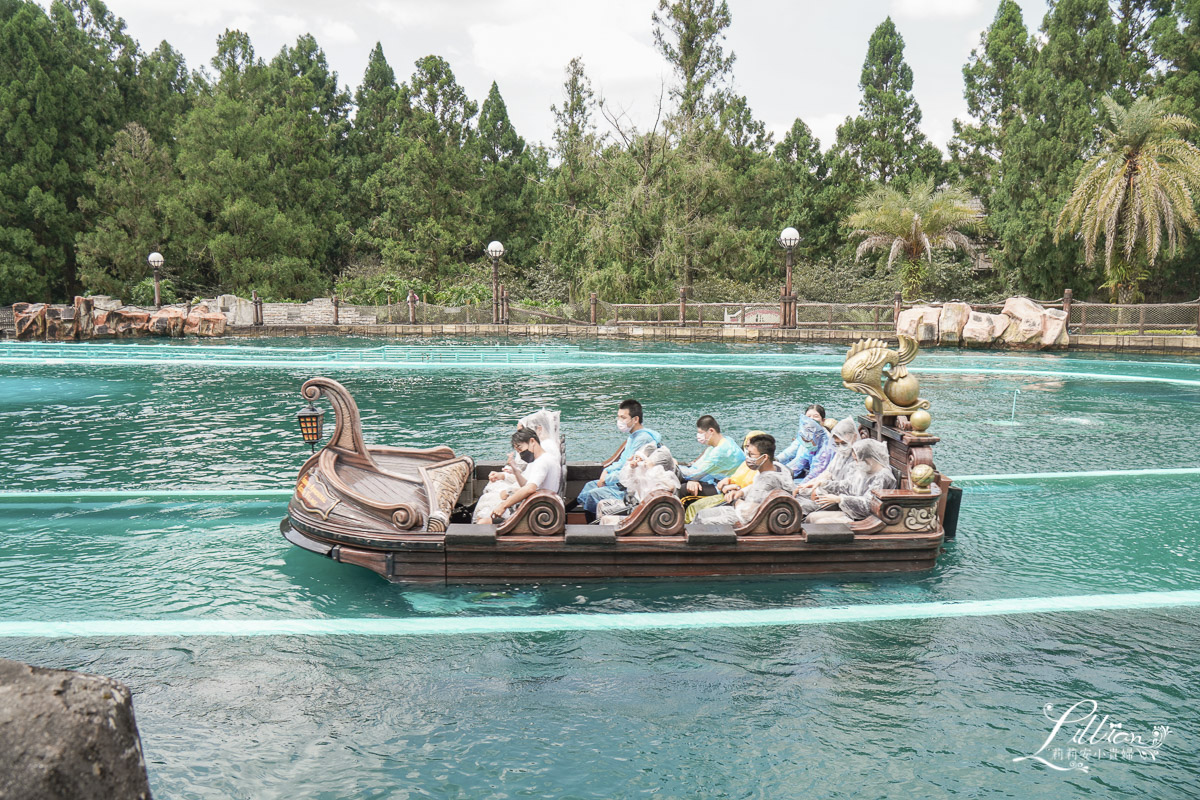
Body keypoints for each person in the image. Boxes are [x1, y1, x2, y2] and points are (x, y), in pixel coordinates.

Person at [575, 399, 662, 516]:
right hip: (621, 479)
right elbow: (622, 462)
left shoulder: (643, 439)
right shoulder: (633, 437)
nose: (620, 421)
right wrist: (607, 470)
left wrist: (606, 479)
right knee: (589, 486)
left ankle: (594, 528)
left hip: (630, 488)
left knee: (592, 494)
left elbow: (629, 470)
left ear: (635, 419)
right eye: (619, 417)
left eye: (623, 418)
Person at [694, 434, 792, 526]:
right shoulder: (778, 467)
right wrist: (741, 492)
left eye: (751, 454)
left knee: (701, 521)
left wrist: (737, 501)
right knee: (701, 513)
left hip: (747, 521)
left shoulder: (766, 481)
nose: (748, 458)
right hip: (748, 511)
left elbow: (746, 515)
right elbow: (754, 486)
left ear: (765, 457)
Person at [797, 438, 896, 521]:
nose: (856, 463)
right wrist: (823, 483)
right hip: (852, 511)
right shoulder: (864, 471)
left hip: (867, 518)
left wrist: (840, 499)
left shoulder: (883, 476)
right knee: (811, 517)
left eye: (857, 460)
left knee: (821, 522)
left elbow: (869, 504)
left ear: (870, 459)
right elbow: (847, 485)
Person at [684, 430, 765, 523]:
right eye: (747, 446)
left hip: (735, 500)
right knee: (694, 507)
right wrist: (728, 480)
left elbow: (752, 490)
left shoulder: (762, 470)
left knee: (697, 510)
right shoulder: (745, 463)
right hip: (726, 493)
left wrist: (737, 489)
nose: (748, 450)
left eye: (752, 450)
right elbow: (732, 478)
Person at [484, 429, 563, 522]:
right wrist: (515, 469)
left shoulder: (542, 462)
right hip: (541, 506)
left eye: (520, 448)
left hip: (537, 512)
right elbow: (526, 485)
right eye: (517, 451)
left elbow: (530, 488)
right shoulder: (543, 459)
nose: (521, 454)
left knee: (483, 521)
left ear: (532, 441)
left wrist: (504, 505)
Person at [596, 443, 681, 523]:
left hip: (643, 519)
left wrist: (650, 468)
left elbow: (667, 487)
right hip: (637, 509)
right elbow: (627, 481)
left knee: (605, 519)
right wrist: (631, 468)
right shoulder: (647, 476)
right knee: (601, 504)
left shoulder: (664, 481)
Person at [678, 415, 745, 497]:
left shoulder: (721, 450)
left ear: (711, 431)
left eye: (701, 433)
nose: (698, 436)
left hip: (724, 486)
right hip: (714, 478)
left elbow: (691, 474)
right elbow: (697, 467)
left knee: (683, 489)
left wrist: (673, 467)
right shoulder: (724, 440)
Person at [795, 416, 860, 493]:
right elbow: (828, 473)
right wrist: (809, 484)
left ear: (854, 437)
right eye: (837, 444)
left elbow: (850, 485)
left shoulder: (859, 456)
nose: (841, 447)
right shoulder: (840, 453)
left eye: (844, 443)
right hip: (833, 489)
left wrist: (823, 484)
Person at [780, 415, 834, 482]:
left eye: (808, 441)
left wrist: (799, 487)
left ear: (816, 437)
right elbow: (799, 464)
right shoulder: (813, 447)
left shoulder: (825, 451)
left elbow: (815, 475)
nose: (807, 444)